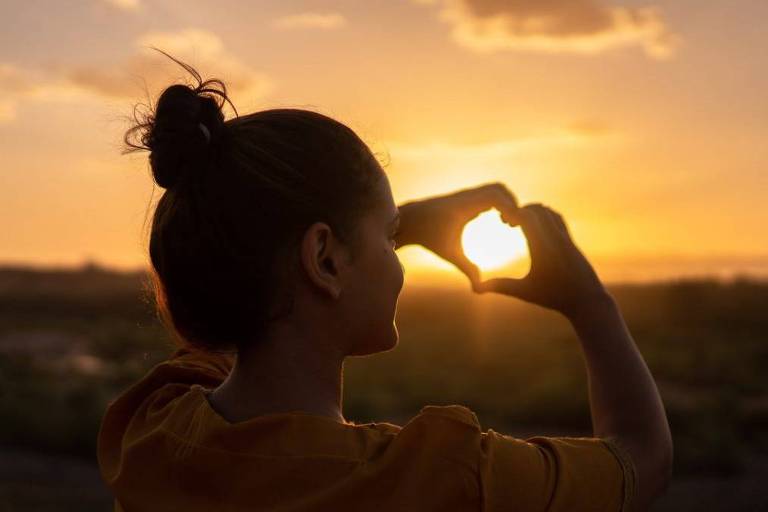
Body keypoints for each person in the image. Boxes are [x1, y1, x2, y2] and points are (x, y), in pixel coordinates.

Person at [97, 50, 673, 512]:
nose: (398, 259)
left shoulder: (153, 429)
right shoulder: (442, 479)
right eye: (389, 236)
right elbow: (641, 460)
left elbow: (239, 280)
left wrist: (387, 227)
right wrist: (589, 303)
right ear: (324, 259)